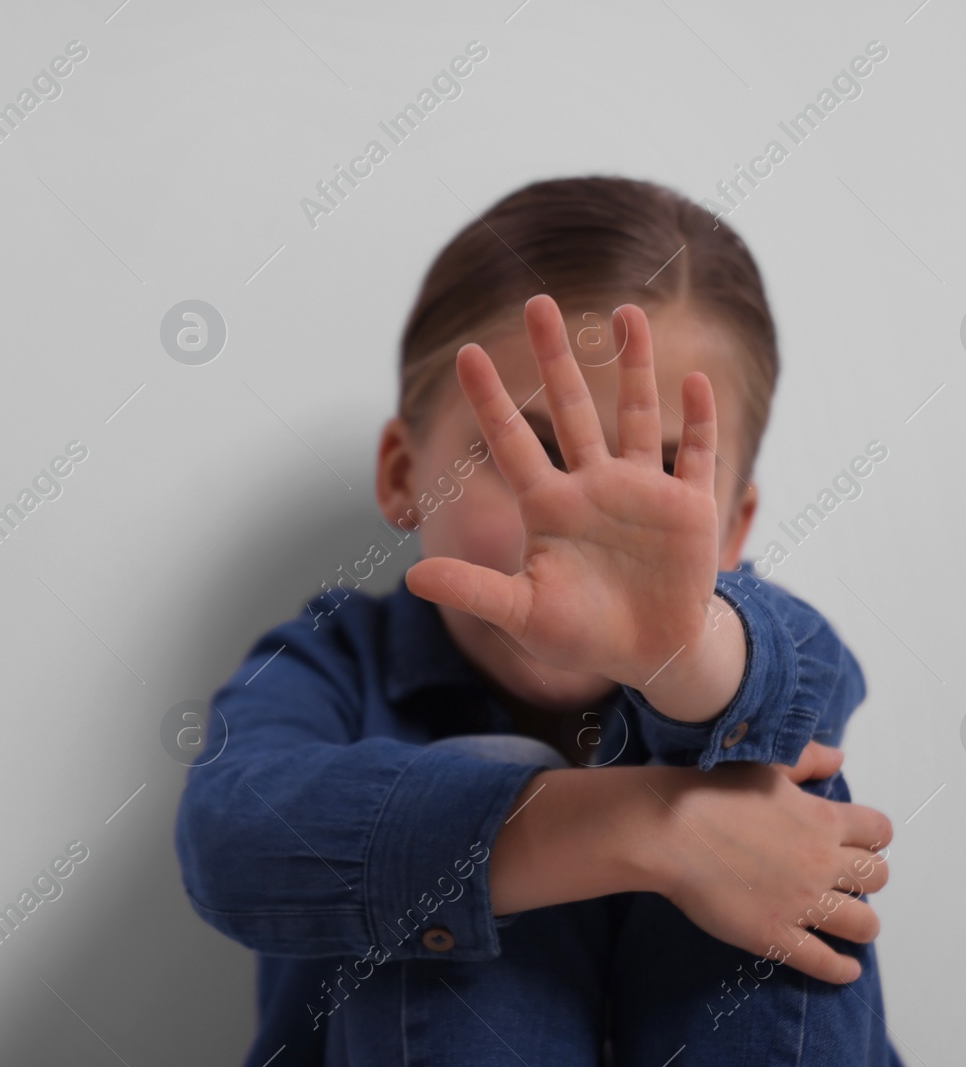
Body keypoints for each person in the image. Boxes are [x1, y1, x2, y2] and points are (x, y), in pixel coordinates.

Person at [174, 175, 900, 1066]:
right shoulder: (335, 660)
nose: (584, 525)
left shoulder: (760, 634)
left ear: (736, 529)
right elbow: (231, 841)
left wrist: (682, 648)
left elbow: (809, 674)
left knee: (765, 775)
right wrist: (651, 831)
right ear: (405, 474)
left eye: (665, 473)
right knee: (490, 776)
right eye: (534, 452)